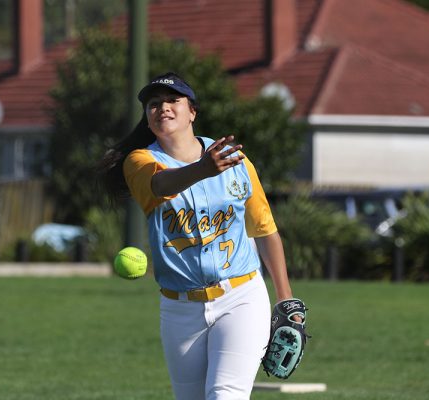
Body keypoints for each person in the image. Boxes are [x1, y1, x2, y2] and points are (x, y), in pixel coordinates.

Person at [98, 72, 298, 400]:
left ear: (192, 111)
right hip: (180, 308)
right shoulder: (139, 162)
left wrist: (285, 299)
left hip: (241, 296)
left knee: (225, 395)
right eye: (153, 104)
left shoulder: (234, 160)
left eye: (172, 100)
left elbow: (264, 230)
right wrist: (204, 169)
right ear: (147, 120)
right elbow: (162, 186)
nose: (162, 107)